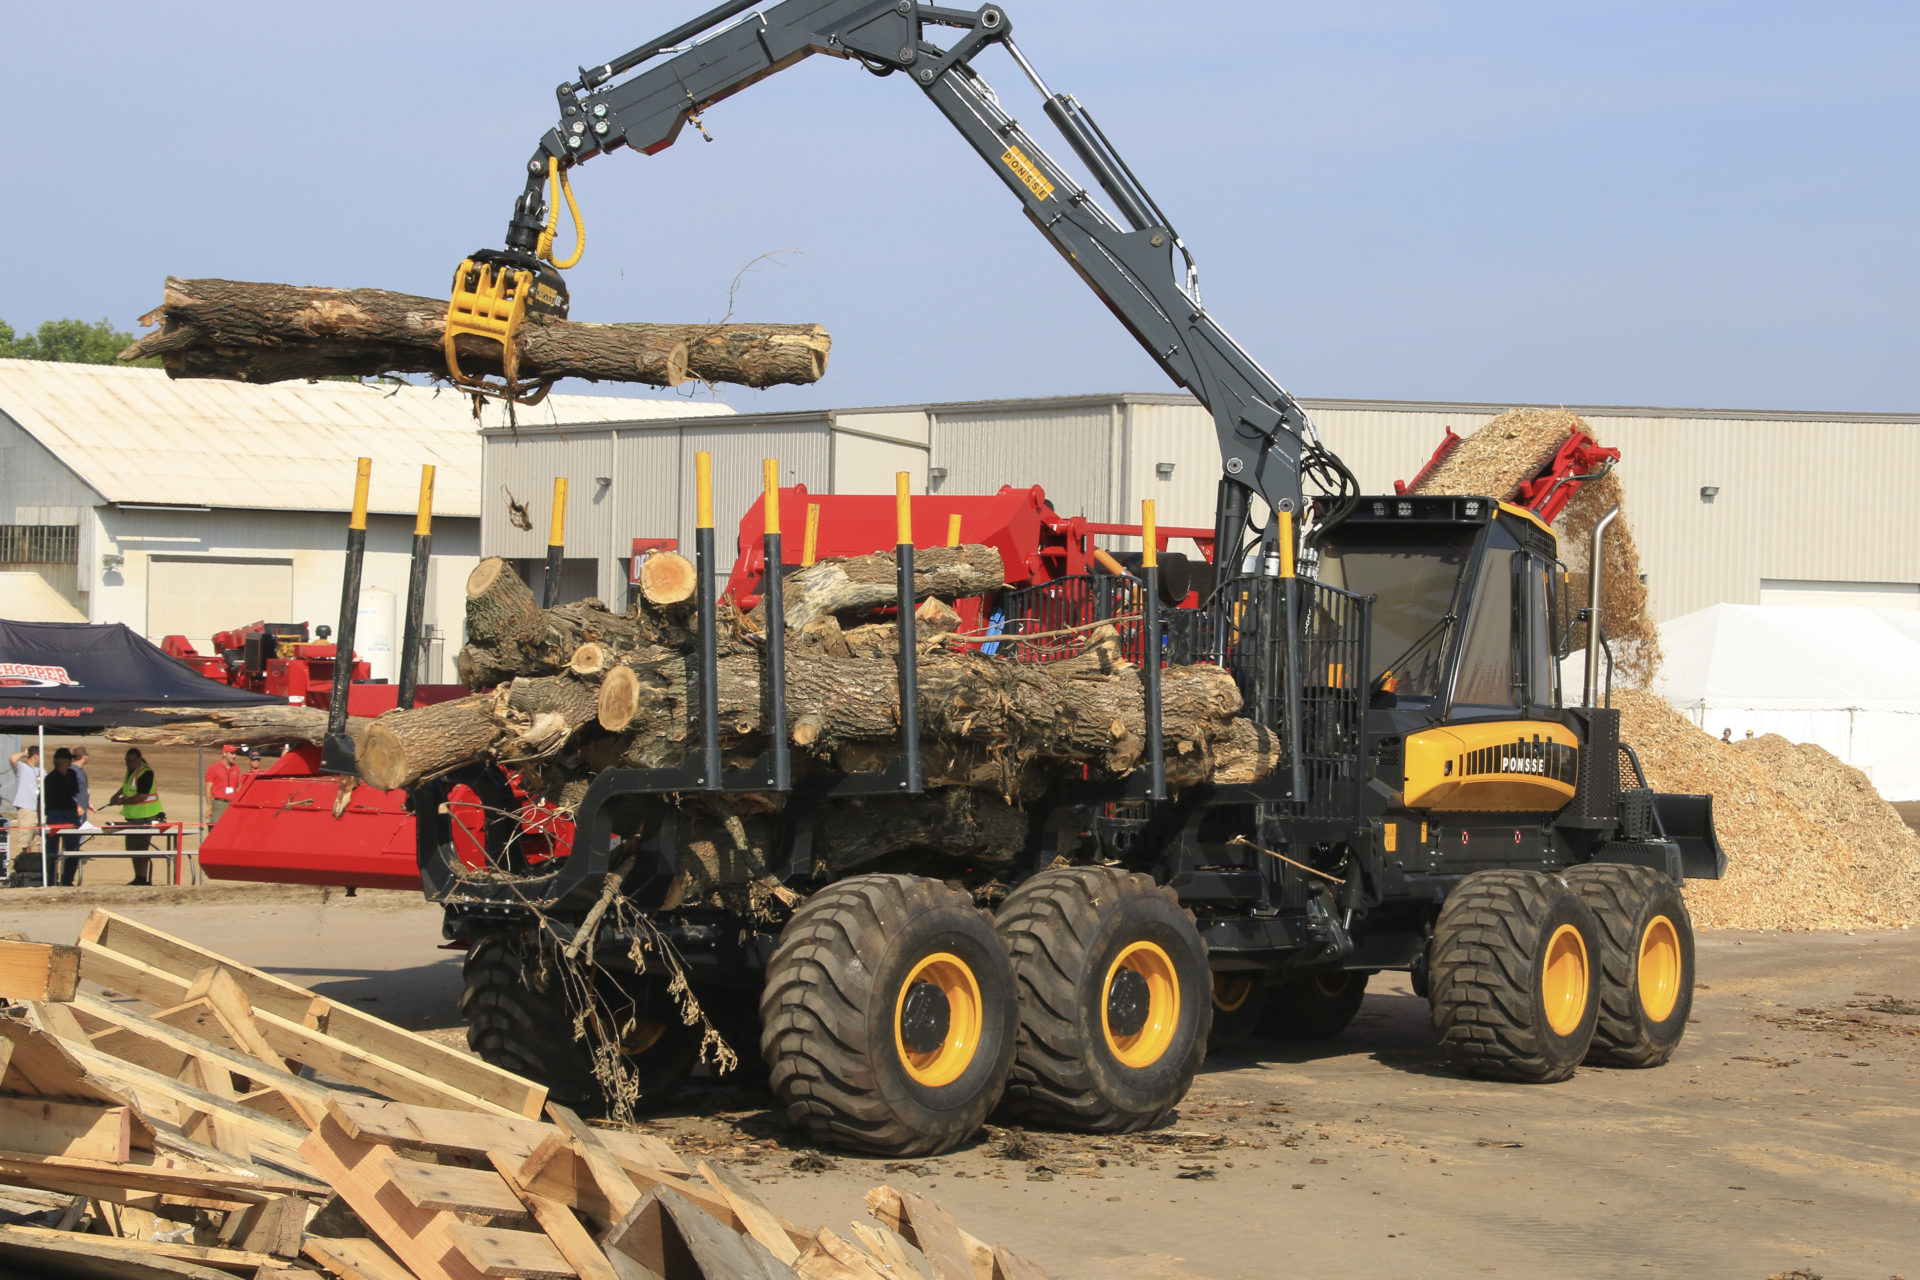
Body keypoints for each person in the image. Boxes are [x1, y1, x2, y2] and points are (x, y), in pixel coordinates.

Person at [102, 748, 163, 886]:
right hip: (133, 817)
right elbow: (127, 787)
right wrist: (117, 795)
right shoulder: (132, 772)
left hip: (146, 816)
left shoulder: (146, 773)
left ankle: (142, 878)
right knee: (132, 848)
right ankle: (139, 877)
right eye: (127, 761)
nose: (128, 764)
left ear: (139, 760)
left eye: (131, 761)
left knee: (141, 849)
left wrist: (123, 801)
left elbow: (142, 795)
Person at [44, 749, 84, 887]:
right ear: (59, 760)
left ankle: (67, 880)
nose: (70, 761)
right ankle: (50, 880)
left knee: (73, 848)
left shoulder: (72, 774)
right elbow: (49, 800)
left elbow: (74, 794)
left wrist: (77, 807)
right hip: (55, 814)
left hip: (70, 814)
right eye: (67, 758)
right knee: (51, 850)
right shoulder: (50, 778)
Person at [8, 744, 42, 875]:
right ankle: (26, 869)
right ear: (35, 755)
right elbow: (12, 759)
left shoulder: (41, 770)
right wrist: (24, 753)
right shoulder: (22, 768)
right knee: (26, 842)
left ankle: (40, 869)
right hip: (26, 809)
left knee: (39, 841)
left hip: (39, 810)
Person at [204, 745, 243, 827]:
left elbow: (238, 787)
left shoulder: (236, 768)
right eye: (232, 753)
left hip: (233, 804)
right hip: (219, 803)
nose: (234, 756)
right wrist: (210, 805)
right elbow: (208, 788)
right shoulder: (213, 768)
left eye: (235, 753)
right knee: (216, 828)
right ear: (224, 753)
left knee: (232, 828)